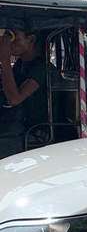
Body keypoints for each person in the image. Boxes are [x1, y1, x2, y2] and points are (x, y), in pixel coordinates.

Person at [0, 30, 47, 158]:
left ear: (31, 39)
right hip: (15, 124)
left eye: (15, 38)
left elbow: (14, 99)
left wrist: (5, 60)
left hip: (33, 131)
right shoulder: (20, 64)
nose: (11, 43)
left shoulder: (41, 68)